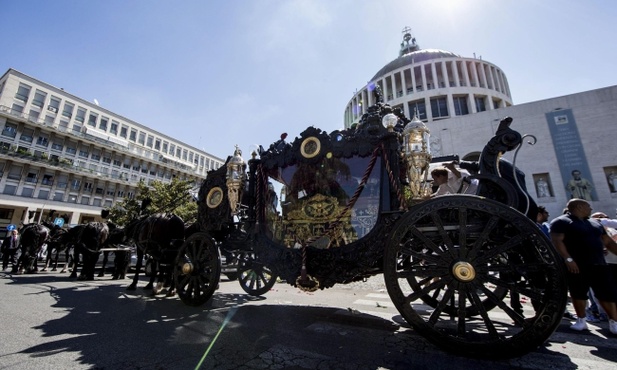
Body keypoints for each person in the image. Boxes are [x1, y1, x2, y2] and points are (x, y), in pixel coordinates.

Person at [550, 199, 617, 334]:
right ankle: (581, 320)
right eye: (588, 206)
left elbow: (608, 242)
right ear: (579, 207)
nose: (591, 209)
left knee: (606, 294)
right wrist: (568, 259)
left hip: (599, 263)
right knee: (578, 293)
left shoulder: (595, 223)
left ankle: (614, 322)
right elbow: (557, 241)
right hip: (577, 264)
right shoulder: (561, 222)